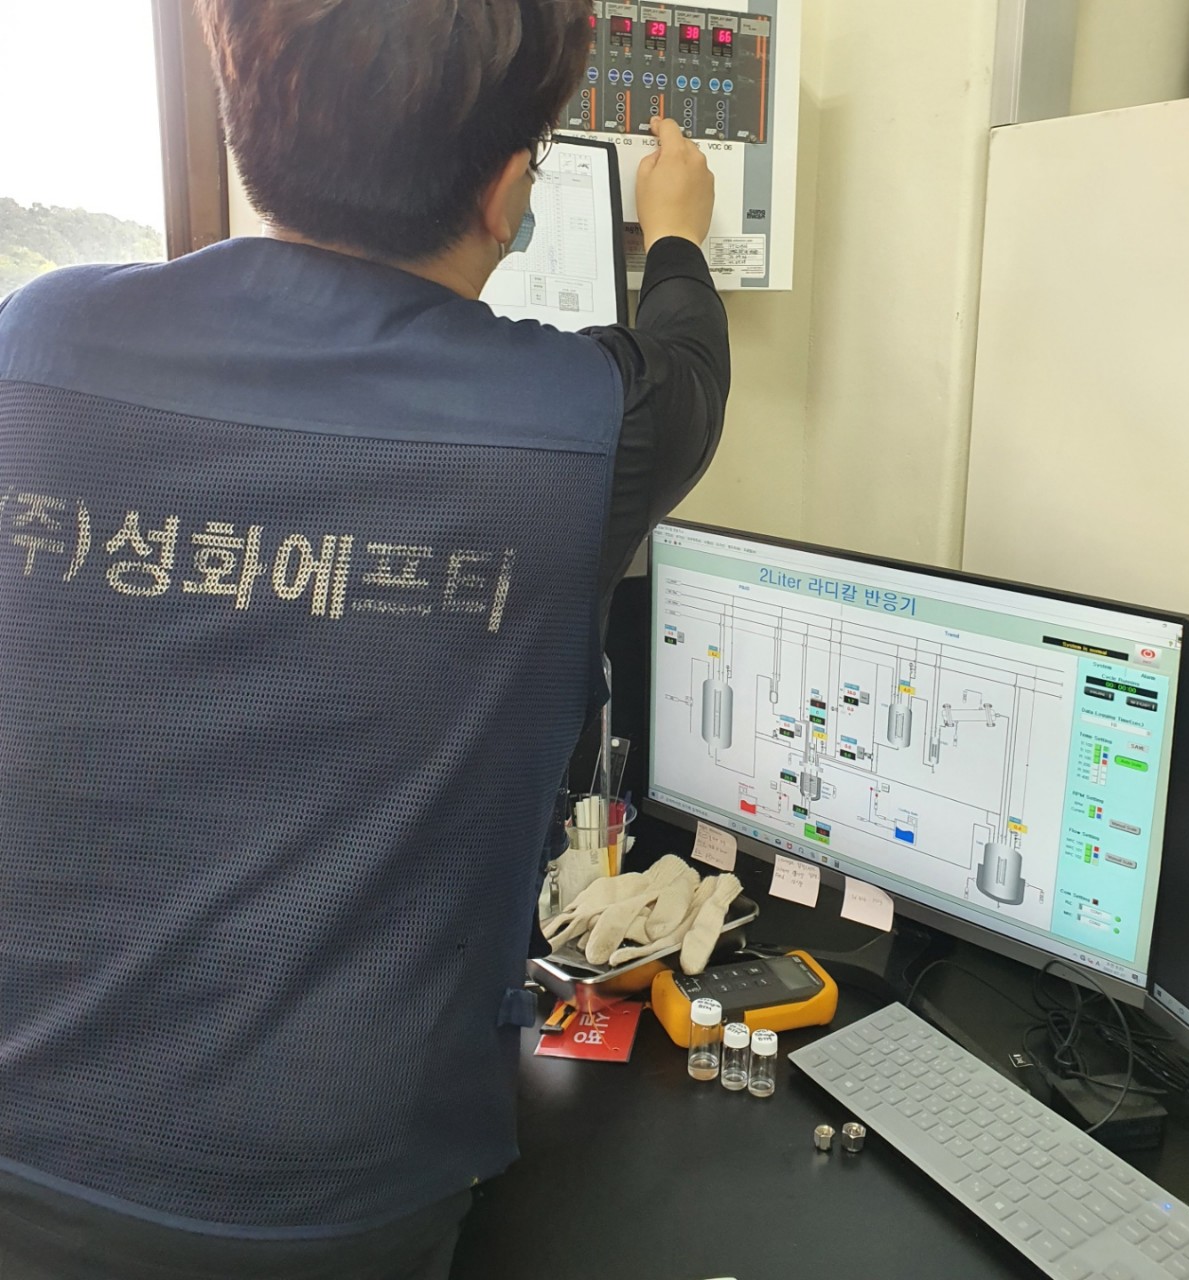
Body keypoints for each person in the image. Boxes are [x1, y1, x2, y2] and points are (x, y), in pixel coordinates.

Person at [0, 1, 728, 1276]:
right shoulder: (585, 421)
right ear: (504, 193)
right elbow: (689, 360)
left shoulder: (35, 341)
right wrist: (673, 231)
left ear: (248, 124)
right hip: (336, 1194)